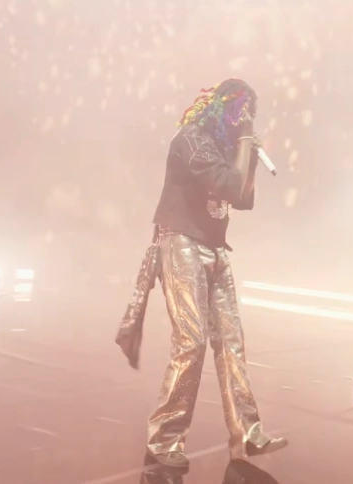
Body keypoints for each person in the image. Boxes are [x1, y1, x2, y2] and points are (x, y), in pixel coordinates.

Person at [145, 79, 287, 466]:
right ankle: (163, 440)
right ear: (221, 107)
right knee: (191, 343)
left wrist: (249, 156)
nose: (245, 119)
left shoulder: (226, 150)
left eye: (250, 114)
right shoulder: (191, 139)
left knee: (231, 342)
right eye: (240, 111)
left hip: (215, 248)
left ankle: (248, 432)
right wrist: (245, 142)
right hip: (182, 243)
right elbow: (229, 186)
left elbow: (243, 199)